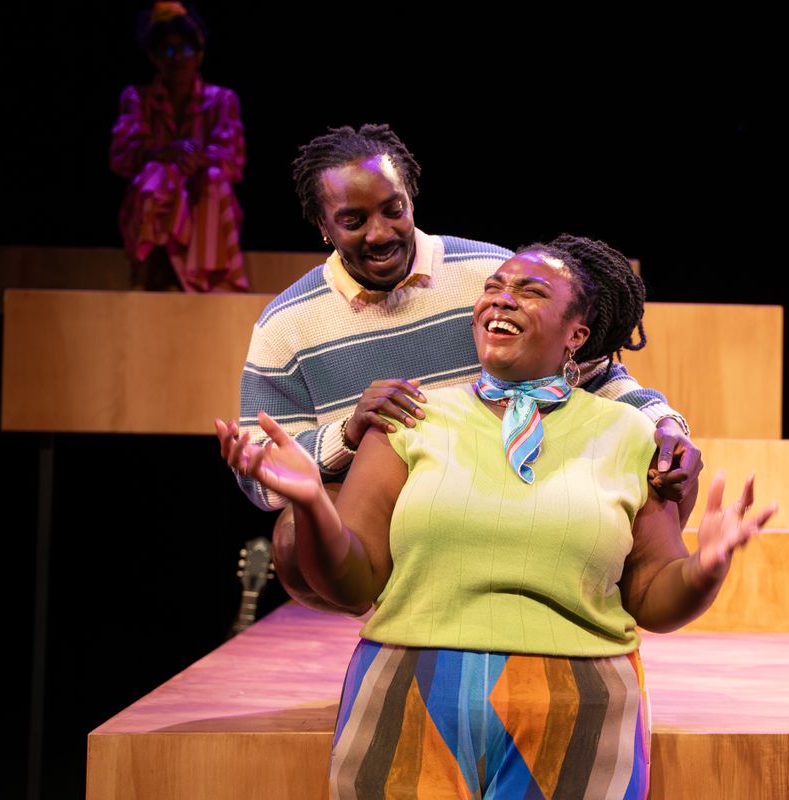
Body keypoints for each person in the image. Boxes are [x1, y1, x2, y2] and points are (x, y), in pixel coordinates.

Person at [218, 234, 777, 799]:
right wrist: (313, 502)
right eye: (493, 288)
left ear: (577, 335)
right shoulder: (409, 419)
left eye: (530, 291)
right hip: (409, 688)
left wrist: (706, 568)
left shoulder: (628, 434)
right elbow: (352, 583)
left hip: (577, 702)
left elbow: (654, 597)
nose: (501, 298)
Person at [230, 125, 702, 607]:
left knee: (665, 469)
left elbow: (591, 371)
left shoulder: (491, 278)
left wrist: (665, 425)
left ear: (411, 198)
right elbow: (261, 476)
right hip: (391, 510)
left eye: (394, 209)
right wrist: (347, 434)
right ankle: (396, 613)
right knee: (294, 533)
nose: (381, 233)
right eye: (354, 220)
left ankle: (602, 599)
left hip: (509, 480)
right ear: (323, 226)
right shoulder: (285, 324)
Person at [109, 2, 248, 292]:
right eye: (169, 51)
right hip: (156, 203)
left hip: (205, 201)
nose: (178, 59)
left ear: (198, 55)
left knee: (212, 179)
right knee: (158, 175)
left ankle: (206, 278)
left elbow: (233, 161)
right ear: (154, 56)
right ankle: (148, 268)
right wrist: (165, 155)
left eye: (185, 50)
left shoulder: (221, 100)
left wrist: (194, 159)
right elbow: (121, 155)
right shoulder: (138, 98)